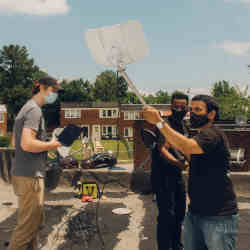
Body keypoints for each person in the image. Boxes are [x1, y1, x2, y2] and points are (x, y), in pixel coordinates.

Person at [143, 95, 238, 250]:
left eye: (198, 110)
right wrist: (174, 149)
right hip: (196, 213)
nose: (193, 113)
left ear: (211, 114)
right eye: (192, 110)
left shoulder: (212, 134)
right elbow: (187, 152)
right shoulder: (199, 137)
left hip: (218, 216)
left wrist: (160, 123)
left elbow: (186, 146)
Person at [7, 77, 62, 250]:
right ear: (42, 88)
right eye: (53, 91)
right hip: (30, 177)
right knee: (27, 228)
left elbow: (14, 143)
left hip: (23, 174)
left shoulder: (26, 108)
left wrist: (45, 146)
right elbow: (26, 144)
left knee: (34, 225)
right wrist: (51, 145)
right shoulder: (34, 110)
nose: (55, 95)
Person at [151, 92, 189, 250]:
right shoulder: (165, 125)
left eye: (182, 106)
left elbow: (186, 147)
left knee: (180, 212)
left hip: (176, 175)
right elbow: (162, 149)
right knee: (167, 215)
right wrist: (177, 163)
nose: (179, 109)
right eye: (176, 106)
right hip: (163, 176)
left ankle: (176, 245)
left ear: (187, 108)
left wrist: (187, 159)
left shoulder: (184, 126)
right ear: (171, 107)